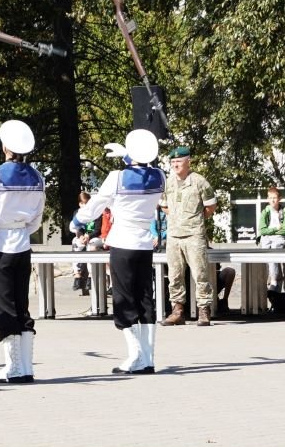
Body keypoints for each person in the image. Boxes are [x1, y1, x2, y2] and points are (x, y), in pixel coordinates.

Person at [76, 129, 164, 375]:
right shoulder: (160, 176)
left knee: (124, 299)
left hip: (123, 242)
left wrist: (77, 220)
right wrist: (128, 156)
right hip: (144, 243)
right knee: (145, 298)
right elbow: (141, 170)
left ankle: (135, 356)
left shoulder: (116, 177)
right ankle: (148, 358)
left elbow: (96, 205)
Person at [0, 120, 44, 384]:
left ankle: (14, 367)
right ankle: (25, 366)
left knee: (4, 308)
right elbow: (37, 218)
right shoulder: (38, 177)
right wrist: (22, 229)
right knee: (21, 305)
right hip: (22, 244)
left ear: (5, 147)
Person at [160, 146, 217, 327]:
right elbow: (163, 205)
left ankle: (204, 310)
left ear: (188, 161)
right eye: (173, 162)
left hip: (194, 235)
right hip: (174, 236)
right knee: (175, 275)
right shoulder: (168, 183)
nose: (176, 164)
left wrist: (194, 219)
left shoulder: (199, 182)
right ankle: (177, 310)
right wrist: (177, 219)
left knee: (200, 274)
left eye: (179, 161)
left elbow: (210, 207)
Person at [257, 186, 285, 306]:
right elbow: (262, 230)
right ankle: (275, 281)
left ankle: (273, 281)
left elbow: (284, 230)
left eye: (275, 198)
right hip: (267, 239)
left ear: (279, 199)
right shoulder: (265, 212)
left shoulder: (284, 211)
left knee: (276, 247)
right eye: (270, 198)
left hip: (279, 239)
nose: (272, 200)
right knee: (268, 250)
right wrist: (275, 229)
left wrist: (272, 231)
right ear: (267, 199)